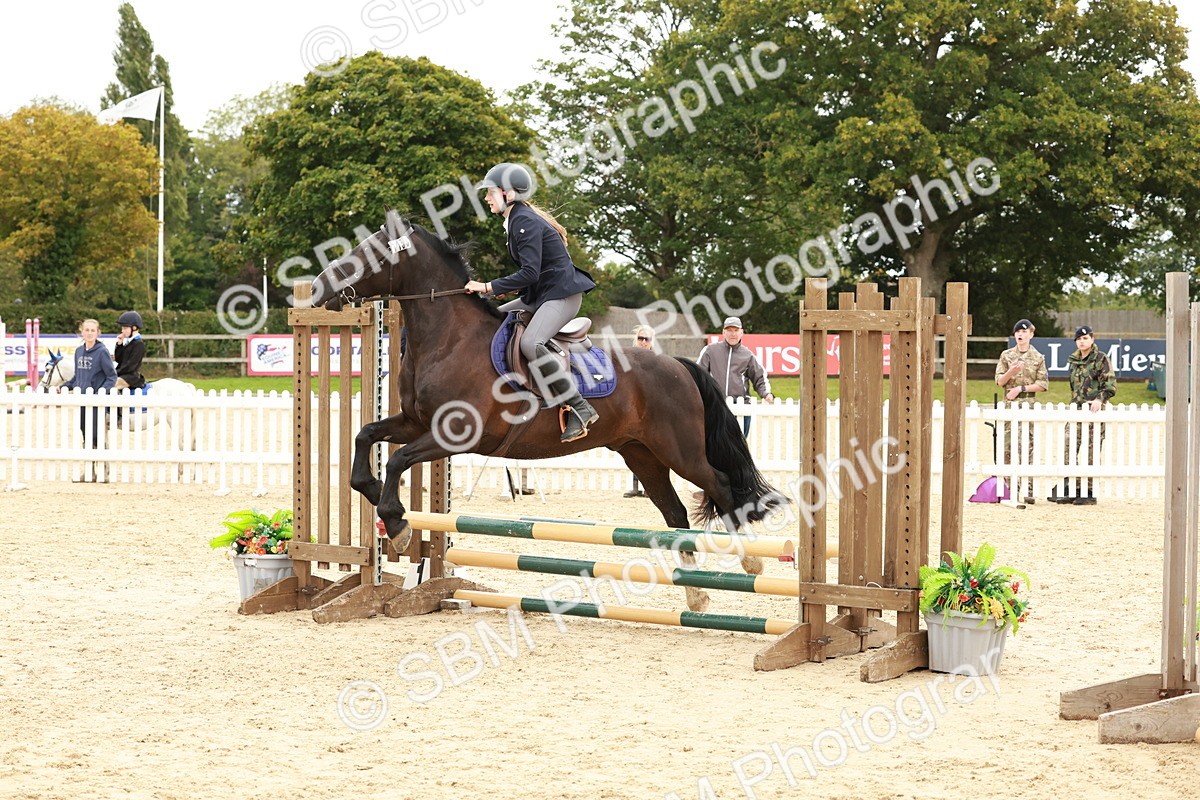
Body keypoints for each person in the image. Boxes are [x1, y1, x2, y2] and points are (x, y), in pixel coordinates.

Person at [465, 162, 599, 443]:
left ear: (509, 194)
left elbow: (529, 273)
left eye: (491, 193)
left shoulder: (524, 221)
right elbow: (531, 276)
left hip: (561, 296)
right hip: (541, 296)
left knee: (530, 343)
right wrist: (499, 292)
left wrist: (488, 286)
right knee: (494, 320)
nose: (487, 198)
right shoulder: (517, 219)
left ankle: (581, 406)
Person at [1050, 325, 1116, 505]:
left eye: (1085, 338)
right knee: (1069, 447)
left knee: (1091, 450)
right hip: (1076, 411)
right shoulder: (1074, 361)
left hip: (1094, 412)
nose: (1082, 341)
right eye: (1079, 339)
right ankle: (1073, 487)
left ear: (1092, 339)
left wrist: (1099, 399)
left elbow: (1110, 386)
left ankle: (1088, 491)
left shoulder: (1101, 359)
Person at [994, 318, 1049, 504]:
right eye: (1018, 331)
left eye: (1025, 332)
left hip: (1027, 406)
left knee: (1027, 447)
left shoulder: (1038, 357)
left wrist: (1021, 389)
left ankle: (1028, 489)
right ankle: (1009, 489)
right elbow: (1000, 382)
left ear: (1031, 335)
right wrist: (1011, 372)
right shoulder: (1006, 355)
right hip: (1009, 406)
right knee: (1007, 447)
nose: (1020, 334)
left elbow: (1043, 384)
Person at [697, 316, 774, 436]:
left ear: (742, 332)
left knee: (739, 445)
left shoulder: (748, 355)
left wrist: (766, 393)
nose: (733, 334)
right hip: (715, 406)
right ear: (723, 332)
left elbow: (759, 377)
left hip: (741, 407)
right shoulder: (710, 351)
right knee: (714, 444)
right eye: (729, 330)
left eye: (736, 330)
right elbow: (699, 375)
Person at [62, 319, 117, 462]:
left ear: (98, 333)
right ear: (82, 331)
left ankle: (103, 467)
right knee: (85, 433)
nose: (89, 333)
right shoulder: (78, 351)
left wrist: (101, 392)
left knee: (97, 435)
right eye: (87, 330)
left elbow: (111, 376)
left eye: (93, 330)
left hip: (96, 402)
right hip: (81, 400)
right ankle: (90, 468)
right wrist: (66, 386)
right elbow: (78, 376)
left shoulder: (102, 352)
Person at [623, 326, 655, 498]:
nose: (643, 342)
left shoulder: (657, 362)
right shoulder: (627, 359)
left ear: (652, 342)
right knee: (634, 449)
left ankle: (651, 487)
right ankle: (635, 486)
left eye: (647, 339)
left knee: (652, 450)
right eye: (641, 338)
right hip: (633, 411)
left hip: (650, 411)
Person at [113, 311, 147, 391]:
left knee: (111, 385)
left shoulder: (139, 344)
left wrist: (115, 372)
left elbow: (130, 366)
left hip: (130, 378)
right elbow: (118, 359)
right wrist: (119, 344)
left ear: (134, 328)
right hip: (123, 375)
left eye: (125, 328)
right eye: (122, 328)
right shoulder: (129, 342)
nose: (122, 331)